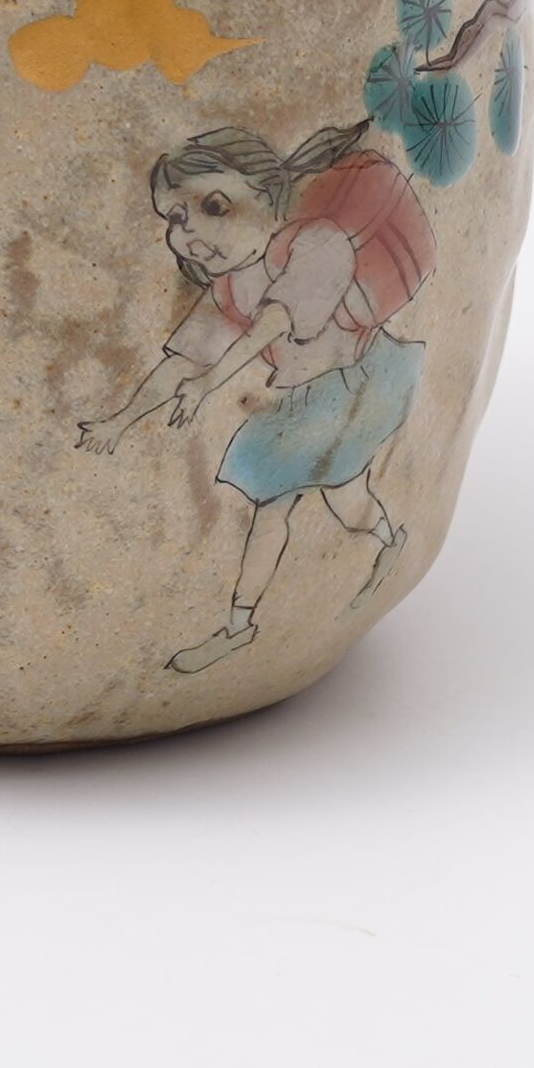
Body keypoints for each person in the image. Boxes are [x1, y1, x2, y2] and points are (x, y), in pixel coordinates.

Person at [77, 121, 428, 672]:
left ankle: (248, 621)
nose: (189, 232)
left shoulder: (316, 244)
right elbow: (182, 362)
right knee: (325, 501)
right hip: (302, 402)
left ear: (269, 194)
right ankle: (379, 545)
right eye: (175, 218)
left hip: (351, 386)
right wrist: (119, 421)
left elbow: (273, 324)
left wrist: (210, 383)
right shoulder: (230, 286)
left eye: (214, 206)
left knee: (298, 505)